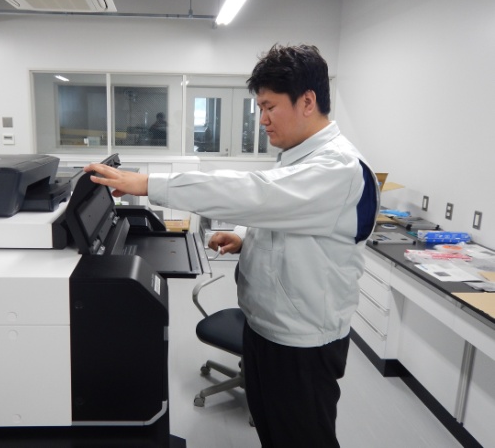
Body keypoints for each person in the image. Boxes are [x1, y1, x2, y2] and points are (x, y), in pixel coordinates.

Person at [85, 44, 379, 447]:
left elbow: (258, 194)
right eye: (260, 108)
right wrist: (245, 237)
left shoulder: (338, 168)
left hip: (301, 343)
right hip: (266, 328)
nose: (263, 120)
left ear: (307, 101)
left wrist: (149, 184)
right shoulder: (298, 158)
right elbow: (283, 214)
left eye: (270, 107)